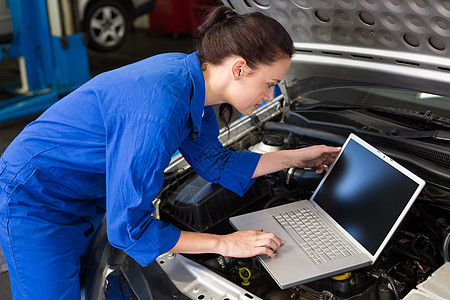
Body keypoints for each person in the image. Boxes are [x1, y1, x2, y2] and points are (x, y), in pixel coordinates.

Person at [0, 6, 341, 299]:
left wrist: (295, 158)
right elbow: (129, 229)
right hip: (37, 200)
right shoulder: (159, 108)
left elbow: (215, 162)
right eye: (270, 83)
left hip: (83, 194)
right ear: (239, 68)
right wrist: (225, 244)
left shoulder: (194, 85)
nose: (270, 96)